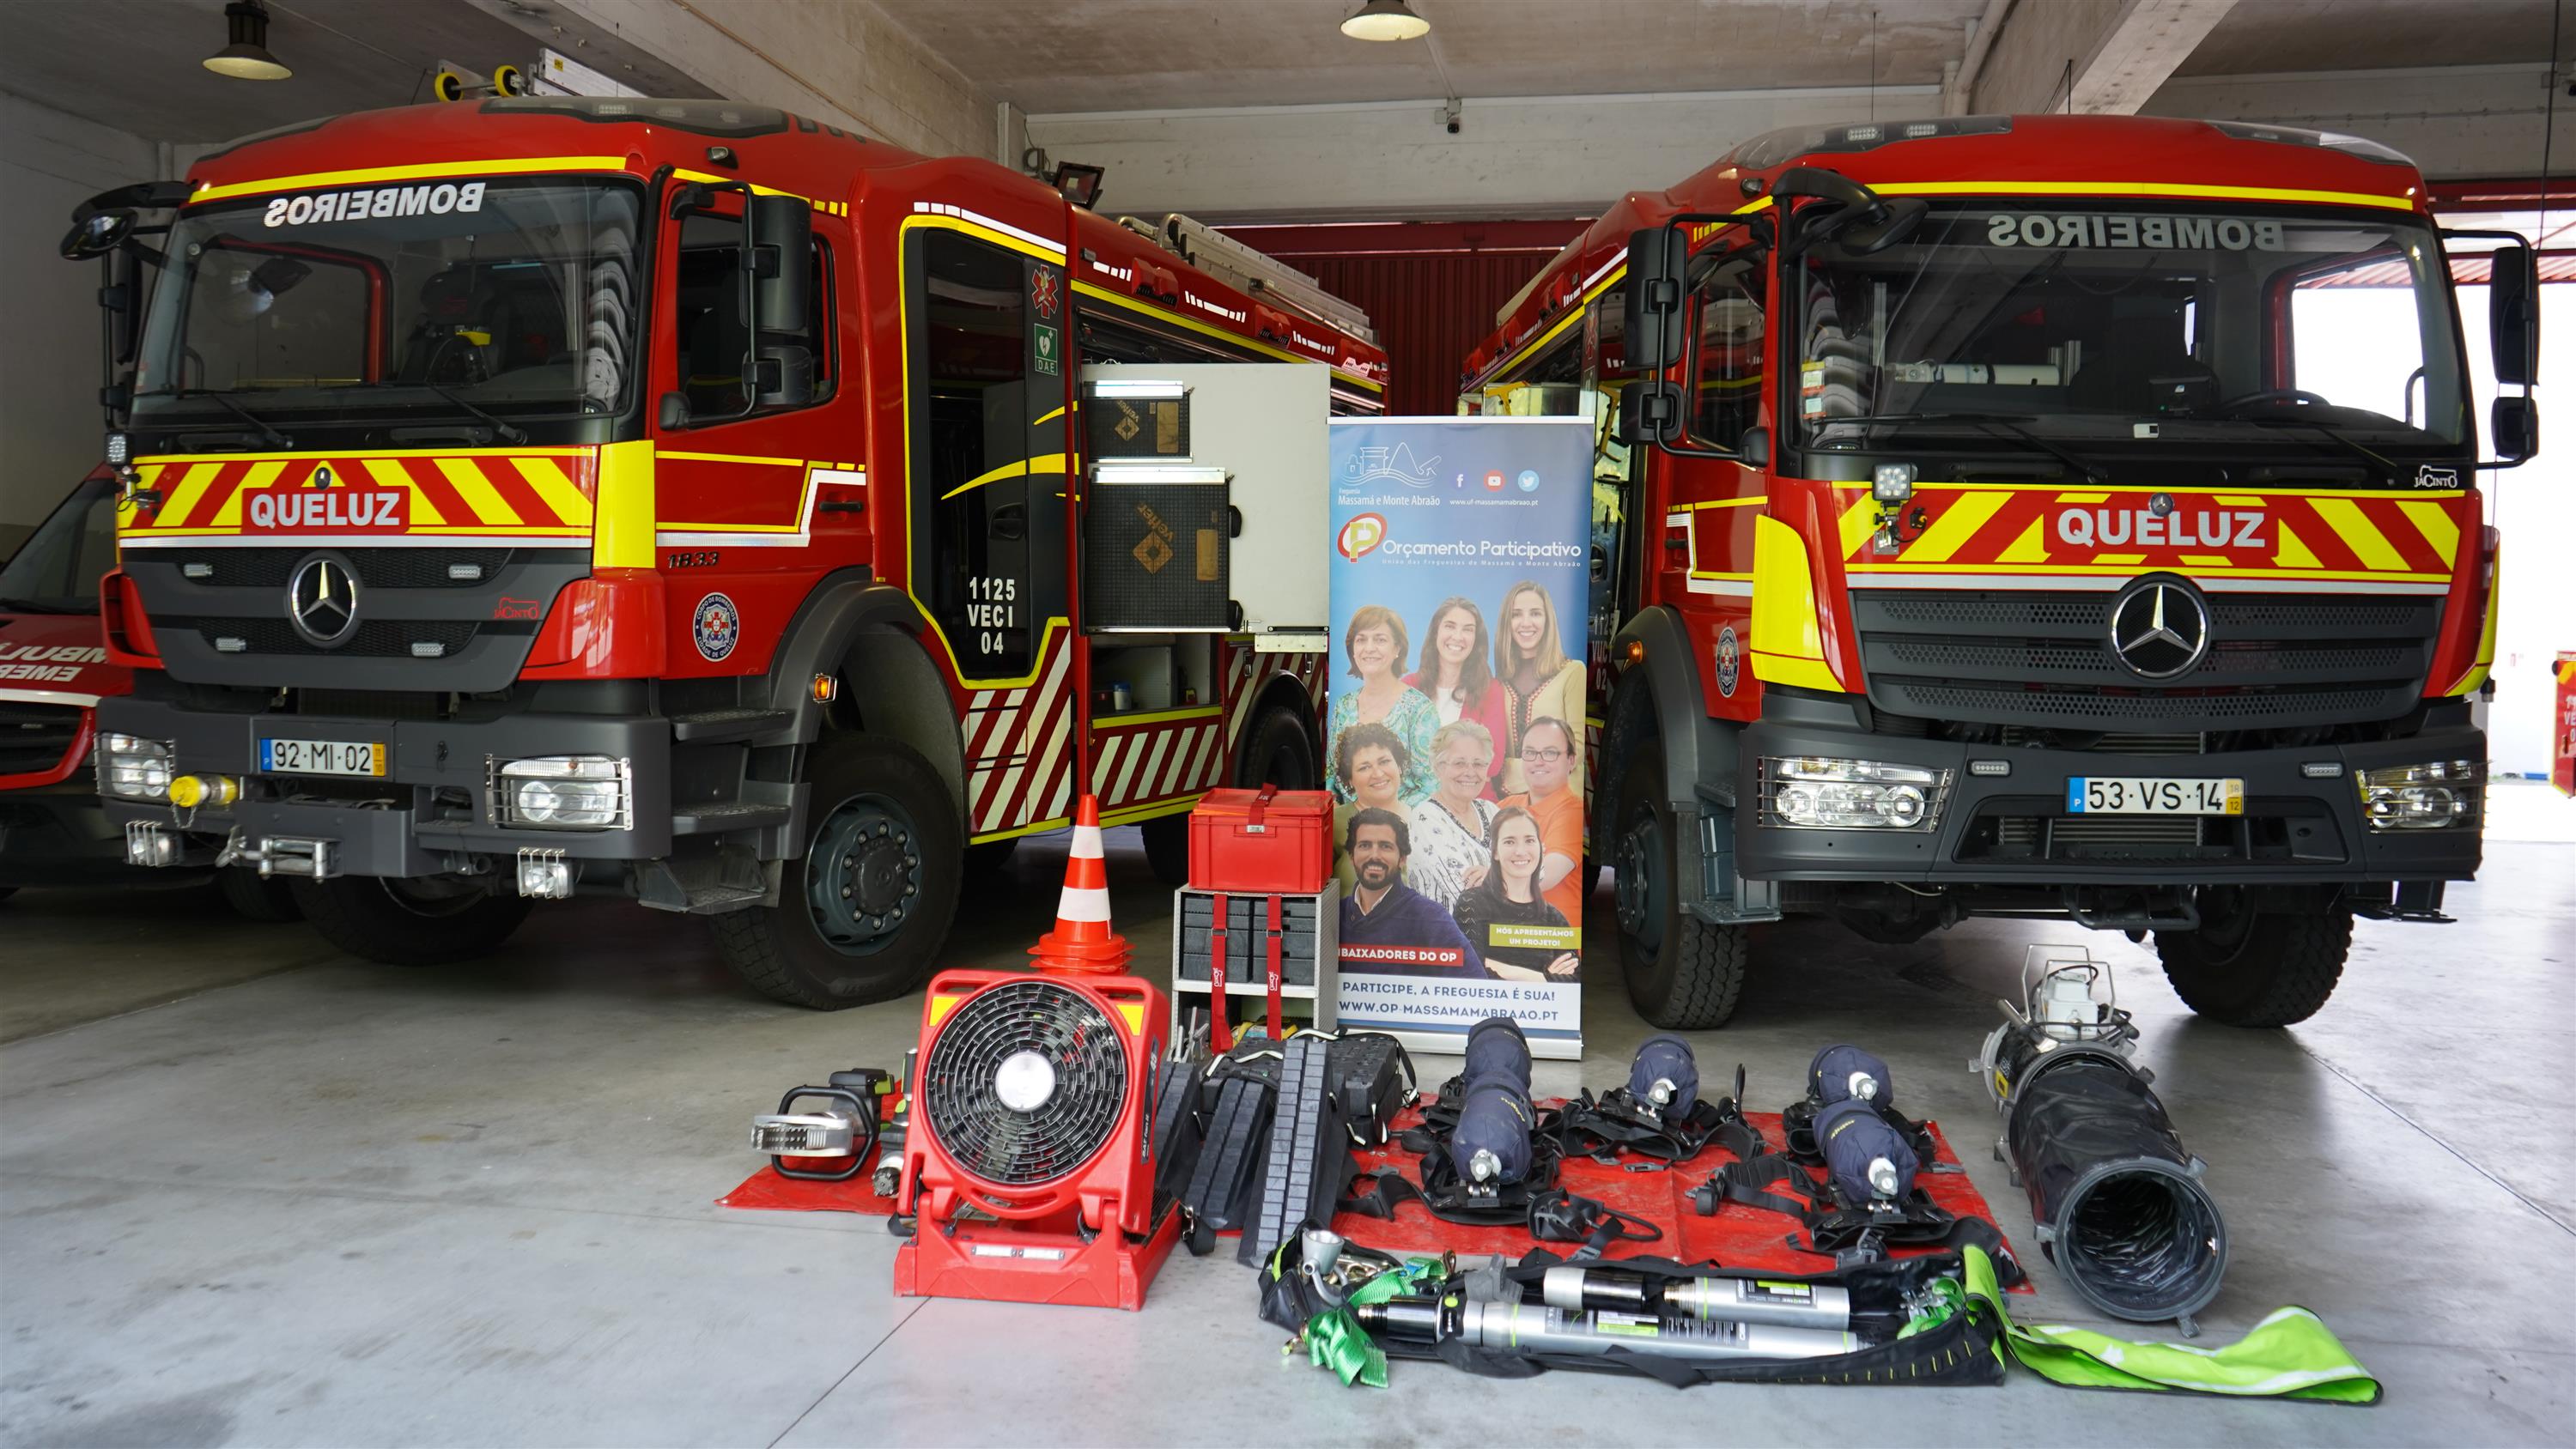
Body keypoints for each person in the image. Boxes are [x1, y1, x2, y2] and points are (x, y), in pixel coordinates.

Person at [1338, 809, 1483, 977]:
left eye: (1385, 846)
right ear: (1351, 856)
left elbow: (1472, 985)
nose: (1374, 855)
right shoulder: (1334, 915)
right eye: (1365, 845)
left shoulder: (1431, 917)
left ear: (1402, 859)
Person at [1451, 806, 1579, 983]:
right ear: (1495, 852)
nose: (1520, 851)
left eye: (1529, 840)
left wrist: (1502, 968)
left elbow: (1573, 982)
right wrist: (1546, 977)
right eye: (1509, 842)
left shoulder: (1555, 918)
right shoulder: (1472, 903)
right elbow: (1472, 972)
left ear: (1540, 848)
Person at [1327, 604, 1436, 805]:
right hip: (1347, 827)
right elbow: (1331, 778)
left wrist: (1387, 816)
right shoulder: (1343, 706)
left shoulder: (1419, 709)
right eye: (1361, 640)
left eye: (1380, 639)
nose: (1369, 648)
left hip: (1402, 828)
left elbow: (1431, 785)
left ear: (1397, 648)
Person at [1403, 597, 1509, 798]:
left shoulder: (1491, 690)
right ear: (1436, 632)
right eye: (1450, 626)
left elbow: (1492, 764)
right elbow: (1399, 757)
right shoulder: (1409, 687)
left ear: (1476, 640)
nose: (1458, 636)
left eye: (1468, 629)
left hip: (1473, 803)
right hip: (1417, 804)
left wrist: (1428, 768)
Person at [1494, 580, 1585, 797]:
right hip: (1508, 806)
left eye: (1535, 613)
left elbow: (1576, 751)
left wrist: (1511, 769)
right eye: (1516, 614)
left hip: (1558, 804)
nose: (1526, 622)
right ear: (1507, 622)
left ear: (1548, 620)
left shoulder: (1572, 672)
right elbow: (1493, 753)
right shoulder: (1498, 681)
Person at [1405, 721, 1499, 910]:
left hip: (1493, 934)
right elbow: (1469, 895)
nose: (1470, 772)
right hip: (1443, 937)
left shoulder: (1491, 811)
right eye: (1459, 763)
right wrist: (1508, 875)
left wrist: (1491, 876)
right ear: (1439, 767)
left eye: (1479, 764)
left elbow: (1538, 869)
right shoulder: (1426, 817)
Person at [1501, 716, 1584, 925]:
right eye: (1530, 752)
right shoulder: (1504, 807)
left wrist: (1484, 873)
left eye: (1550, 753)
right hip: (1505, 938)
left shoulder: (1572, 812)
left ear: (1571, 760)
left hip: (1551, 946)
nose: (1538, 761)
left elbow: (1541, 877)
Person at [1331, 723, 1411, 893]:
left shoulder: (1423, 819)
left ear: (1398, 766)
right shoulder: (1332, 823)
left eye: (1384, 761)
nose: (1378, 773)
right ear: (1349, 779)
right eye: (1364, 767)